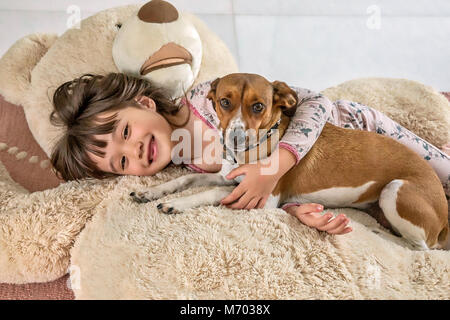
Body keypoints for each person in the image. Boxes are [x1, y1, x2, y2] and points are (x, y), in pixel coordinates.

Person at [50, 73, 450, 236]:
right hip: (336, 178)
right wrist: (294, 207)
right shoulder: (187, 161)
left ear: (145, 103)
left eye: (124, 132)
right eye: (122, 162)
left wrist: (279, 163)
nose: (134, 150)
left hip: (354, 128)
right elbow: (268, 190)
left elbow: (318, 103)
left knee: (443, 173)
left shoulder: (209, 99)